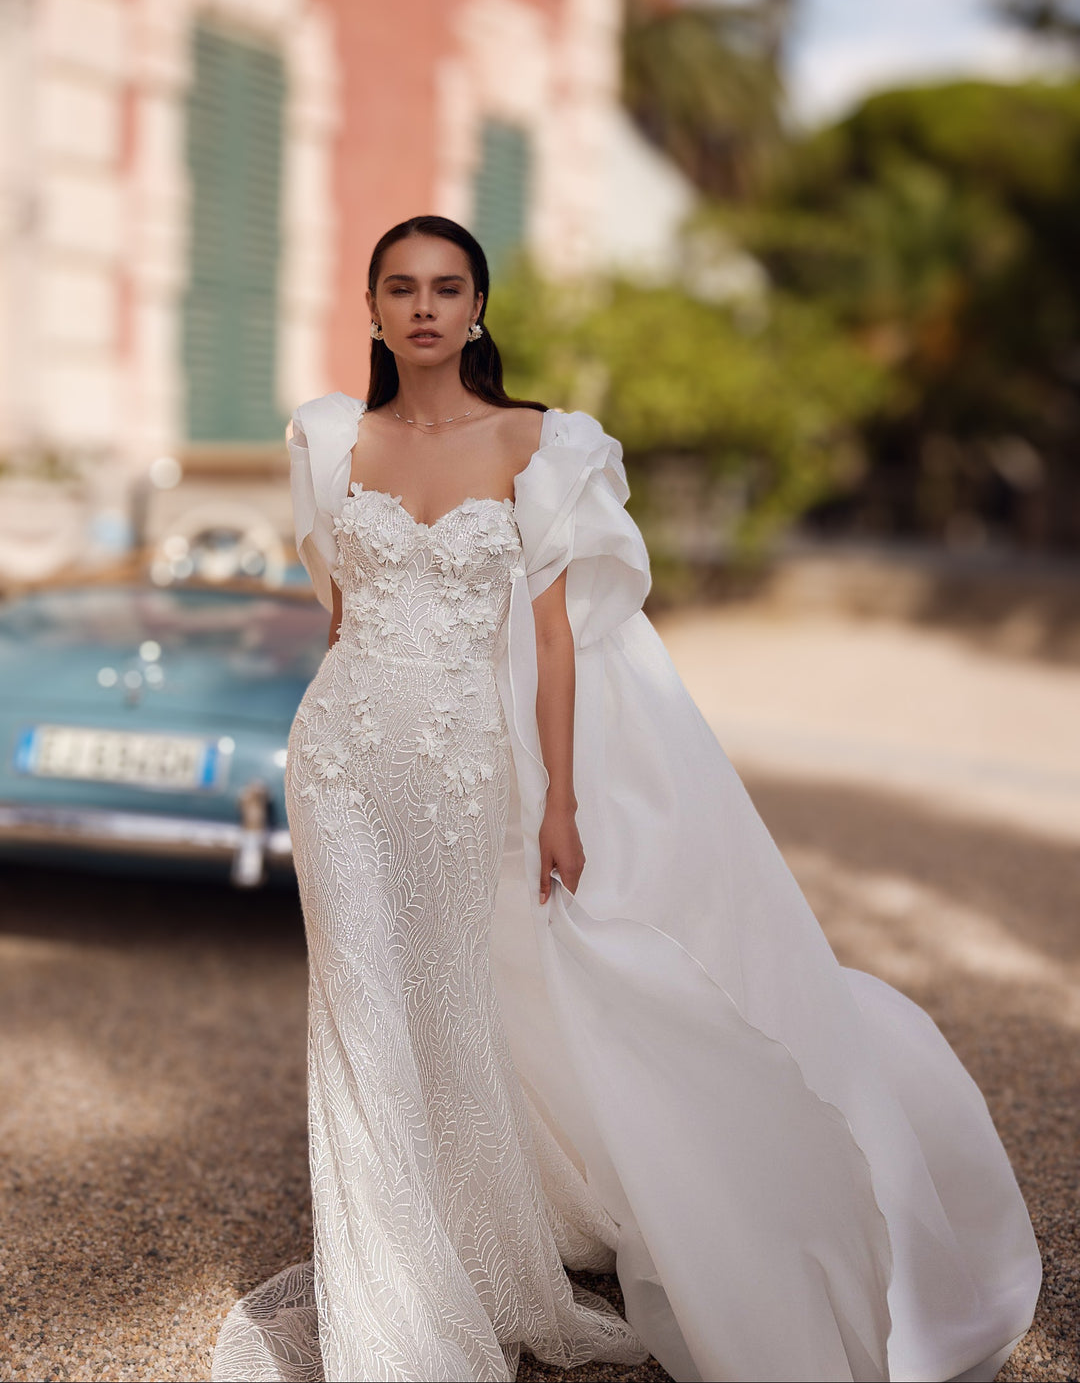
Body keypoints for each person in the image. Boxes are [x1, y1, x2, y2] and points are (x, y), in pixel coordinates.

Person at [210, 216, 1041, 1383]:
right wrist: (349, 718)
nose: (425, 307)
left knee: (446, 1012)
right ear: (374, 309)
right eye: (401, 288)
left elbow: (553, 644)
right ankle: (387, 1315)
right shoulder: (333, 438)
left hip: (465, 770)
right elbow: (340, 615)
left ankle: (471, 1260)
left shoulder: (540, 444)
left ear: (478, 309)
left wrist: (560, 804)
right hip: (341, 762)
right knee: (357, 1015)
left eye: (447, 287)